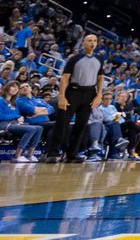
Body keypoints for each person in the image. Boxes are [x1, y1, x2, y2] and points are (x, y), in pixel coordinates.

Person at [47, 33, 106, 161]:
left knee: (82, 124)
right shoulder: (75, 58)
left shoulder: (100, 59)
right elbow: (64, 78)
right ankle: (53, 152)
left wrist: (99, 94)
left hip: (90, 93)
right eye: (89, 40)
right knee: (62, 122)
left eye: (95, 40)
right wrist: (62, 96)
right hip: (73, 92)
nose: (92, 43)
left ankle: (72, 153)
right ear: (83, 43)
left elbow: (100, 77)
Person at [0, 81, 42, 163]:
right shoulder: (1, 100)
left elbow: (16, 114)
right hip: (3, 124)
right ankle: (17, 156)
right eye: (13, 86)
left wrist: (20, 118)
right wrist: (16, 117)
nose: (15, 89)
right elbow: (1, 116)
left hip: (14, 123)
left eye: (17, 88)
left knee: (39, 128)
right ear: (7, 87)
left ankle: (30, 155)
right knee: (31, 129)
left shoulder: (14, 103)